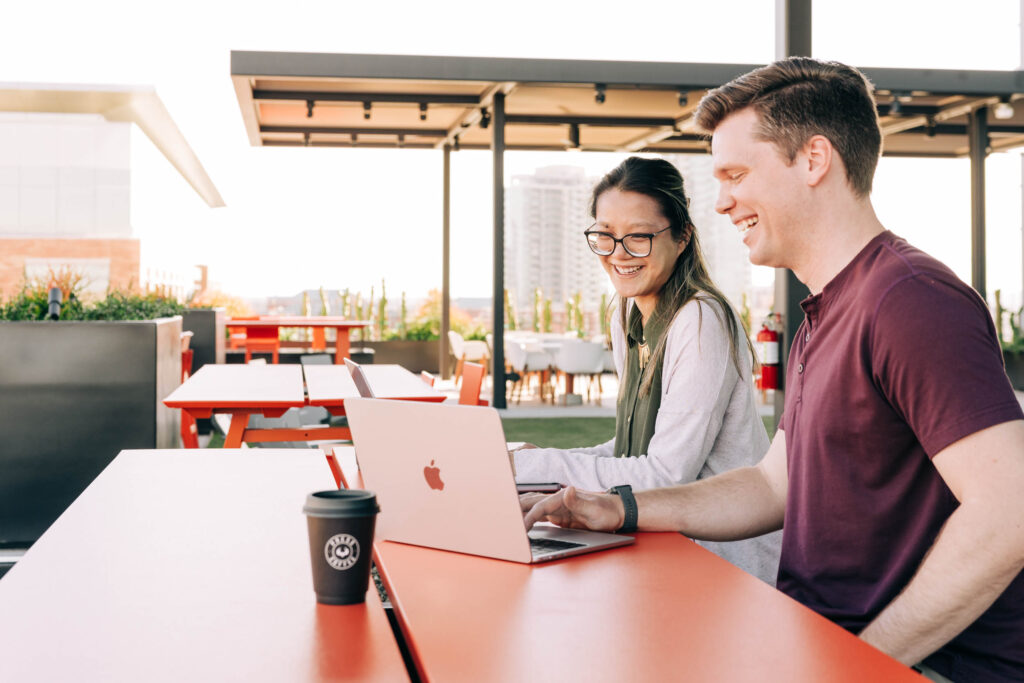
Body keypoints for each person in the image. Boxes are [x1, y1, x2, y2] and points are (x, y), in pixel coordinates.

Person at [524, 57, 1024, 683]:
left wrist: (863, 663)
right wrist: (618, 507)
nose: (724, 200)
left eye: (735, 174)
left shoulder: (910, 299)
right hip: (817, 639)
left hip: (914, 663)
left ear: (814, 160)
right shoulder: (826, 310)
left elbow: (1010, 512)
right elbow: (771, 485)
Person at [513, 156, 781, 584]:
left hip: (725, 565)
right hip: (661, 545)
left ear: (681, 237)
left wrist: (533, 468)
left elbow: (664, 473)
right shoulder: (625, 314)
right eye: (605, 236)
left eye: (638, 236)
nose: (619, 255)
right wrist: (536, 464)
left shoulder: (699, 319)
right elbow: (633, 451)